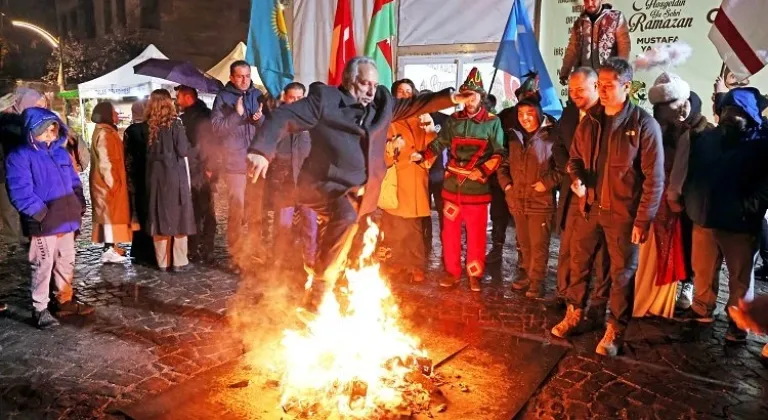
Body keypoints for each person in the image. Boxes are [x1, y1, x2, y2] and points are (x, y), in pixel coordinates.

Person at [247, 56, 471, 302]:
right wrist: (261, 150)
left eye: (375, 85)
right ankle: (318, 291)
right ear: (349, 80)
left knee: (358, 243)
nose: (371, 90)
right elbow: (283, 116)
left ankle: (344, 297)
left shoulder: (382, 103)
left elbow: (416, 104)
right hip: (327, 185)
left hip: (365, 192)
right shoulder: (325, 100)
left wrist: (451, 98)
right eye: (365, 84)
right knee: (345, 215)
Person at [552, 58, 664, 357]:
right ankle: (575, 313)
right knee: (580, 263)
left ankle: (615, 329)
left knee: (620, 274)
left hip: (623, 214)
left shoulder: (643, 125)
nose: (601, 91)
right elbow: (574, 158)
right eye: (599, 85)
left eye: (608, 86)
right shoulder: (589, 120)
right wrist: (576, 178)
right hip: (588, 208)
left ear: (626, 87)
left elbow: (655, 178)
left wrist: (643, 220)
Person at [678, 87, 768, 344]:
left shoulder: (761, 143)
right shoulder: (707, 138)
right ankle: (701, 309)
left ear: (749, 114)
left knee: (740, 277)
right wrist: (692, 202)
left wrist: (749, 207)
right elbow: (693, 172)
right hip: (705, 219)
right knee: (703, 270)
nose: (730, 115)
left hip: (739, 225)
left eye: (737, 110)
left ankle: (739, 321)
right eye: (727, 109)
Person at [5, 107, 93, 328]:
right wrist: (41, 214)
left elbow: (74, 182)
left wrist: (78, 204)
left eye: (53, 129)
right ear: (31, 131)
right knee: (42, 265)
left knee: (66, 261)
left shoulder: (61, 153)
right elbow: (20, 191)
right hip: (44, 224)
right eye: (44, 130)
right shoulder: (19, 157)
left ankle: (63, 301)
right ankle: (40, 308)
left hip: (67, 219)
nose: (49, 134)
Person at [424, 68, 505, 292]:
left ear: (481, 97)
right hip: (451, 190)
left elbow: (500, 152)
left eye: (474, 95)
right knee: (449, 234)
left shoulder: (492, 122)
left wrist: (483, 171)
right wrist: (425, 155)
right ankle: (452, 272)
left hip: (477, 191)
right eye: (466, 95)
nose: (470, 99)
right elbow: (440, 143)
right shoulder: (453, 120)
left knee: (477, 234)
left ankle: (474, 274)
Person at [630, 72, 699, 318]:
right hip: (665, 203)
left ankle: (644, 302)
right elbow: (677, 174)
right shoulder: (681, 133)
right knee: (659, 252)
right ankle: (655, 305)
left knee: (649, 253)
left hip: (650, 200)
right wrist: (674, 197)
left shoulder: (648, 127)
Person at [552, 67, 611, 317]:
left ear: (597, 87)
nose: (575, 94)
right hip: (572, 191)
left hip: (601, 196)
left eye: (581, 89)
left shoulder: (610, 116)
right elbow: (559, 148)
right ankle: (565, 296)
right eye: (571, 90)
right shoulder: (568, 115)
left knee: (600, 256)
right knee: (568, 247)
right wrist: (572, 172)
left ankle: (597, 304)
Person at [497, 97, 560, 298]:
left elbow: (562, 168)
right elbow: (503, 164)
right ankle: (526, 275)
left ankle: (537, 281)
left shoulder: (551, 136)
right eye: (520, 114)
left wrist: (547, 183)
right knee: (523, 244)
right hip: (517, 200)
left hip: (540, 201)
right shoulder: (514, 136)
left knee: (538, 245)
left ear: (539, 114)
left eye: (529, 114)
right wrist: (507, 186)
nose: (524, 118)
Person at [379, 79, 437, 283]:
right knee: (393, 224)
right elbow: (378, 146)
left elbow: (433, 144)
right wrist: (390, 147)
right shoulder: (387, 117)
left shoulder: (423, 116)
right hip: (395, 175)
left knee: (413, 227)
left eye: (408, 91)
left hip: (414, 175)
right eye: (400, 91)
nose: (404, 94)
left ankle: (416, 265)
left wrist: (425, 157)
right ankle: (395, 262)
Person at [211, 60, 266, 273]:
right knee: (237, 210)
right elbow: (216, 129)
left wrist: (259, 120)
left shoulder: (258, 95)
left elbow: (267, 127)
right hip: (234, 163)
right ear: (232, 77)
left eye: (247, 75)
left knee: (256, 211)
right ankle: (236, 256)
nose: (244, 80)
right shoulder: (223, 98)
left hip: (255, 161)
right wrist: (237, 114)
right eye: (240, 76)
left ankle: (256, 251)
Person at [143, 90, 196, 271]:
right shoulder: (176, 124)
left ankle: (163, 261)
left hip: (155, 177)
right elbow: (182, 150)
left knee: (159, 217)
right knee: (179, 215)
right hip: (175, 176)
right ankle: (179, 261)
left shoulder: (147, 126)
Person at [268, 82, 317, 270]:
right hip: (284, 181)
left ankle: (310, 261)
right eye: (292, 97)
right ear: (285, 98)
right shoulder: (277, 120)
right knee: (283, 226)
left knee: (310, 226)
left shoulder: (313, 121)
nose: (296, 101)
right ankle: (278, 261)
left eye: (299, 97)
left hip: (307, 182)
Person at [0, 87, 46, 252]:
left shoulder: (21, 121)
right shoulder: (10, 121)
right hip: (6, 173)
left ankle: (23, 239)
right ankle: (16, 243)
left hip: (19, 171)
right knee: (11, 209)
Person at [176, 85, 217, 264]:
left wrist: (210, 167)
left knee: (201, 211)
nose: (176, 100)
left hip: (200, 170)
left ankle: (201, 248)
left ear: (188, 97)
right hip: (197, 169)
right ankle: (201, 248)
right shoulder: (197, 115)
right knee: (201, 211)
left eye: (178, 96)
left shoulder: (200, 118)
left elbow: (211, 144)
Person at [89, 102, 133, 264]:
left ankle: (112, 247)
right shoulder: (105, 133)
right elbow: (106, 162)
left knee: (112, 217)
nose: (116, 114)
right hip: (107, 186)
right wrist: (113, 183)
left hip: (108, 184)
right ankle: (108, 250)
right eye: (114, 111)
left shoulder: (106, 131)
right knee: (109, 217)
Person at [559, 0, 631, 85]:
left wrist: (621, 71)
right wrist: (564, 73)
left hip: (608, 78)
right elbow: (572, 49)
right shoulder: (579, 23)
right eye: (586, 0)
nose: (589, 4)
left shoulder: (616, 18)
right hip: (586, 81)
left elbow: (624, 46)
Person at [123, 100, 155, 265]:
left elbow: (127, 157)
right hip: (151, 175)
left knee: (139, 214)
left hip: (137, 177)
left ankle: (140, 250)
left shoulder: (130, 131)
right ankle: (152, 250)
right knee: (150, 212)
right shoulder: (152, 128)